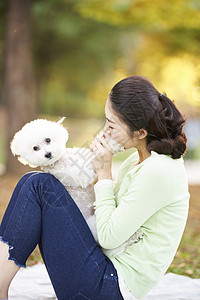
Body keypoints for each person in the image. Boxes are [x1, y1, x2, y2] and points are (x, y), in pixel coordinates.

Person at [0, 75, 189, 300]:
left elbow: (109, 237)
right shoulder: (138, 161)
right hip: (101, 269)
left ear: (140, 132)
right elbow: (104, 217)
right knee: (32, 182)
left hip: (110, 287)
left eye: (111, 125)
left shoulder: (159, 171)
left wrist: (104, 173)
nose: (105, 132)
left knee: (38, 185)